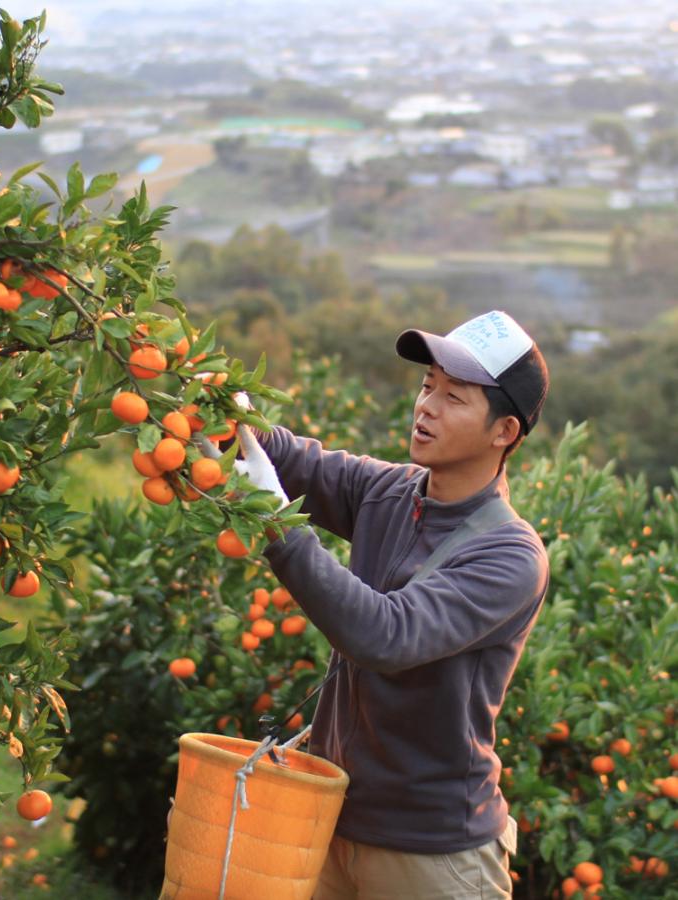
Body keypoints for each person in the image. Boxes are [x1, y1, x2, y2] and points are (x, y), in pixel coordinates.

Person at [209, 310, 550, 899]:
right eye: (427, 386)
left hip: (434, 854)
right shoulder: (390, 490)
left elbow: (383, 637)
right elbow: (294, 458)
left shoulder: (511, 556)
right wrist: (224, 414)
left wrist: (274, 519)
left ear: (505, 433)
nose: (427, 407)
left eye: (455, 397)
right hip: (329, 819)